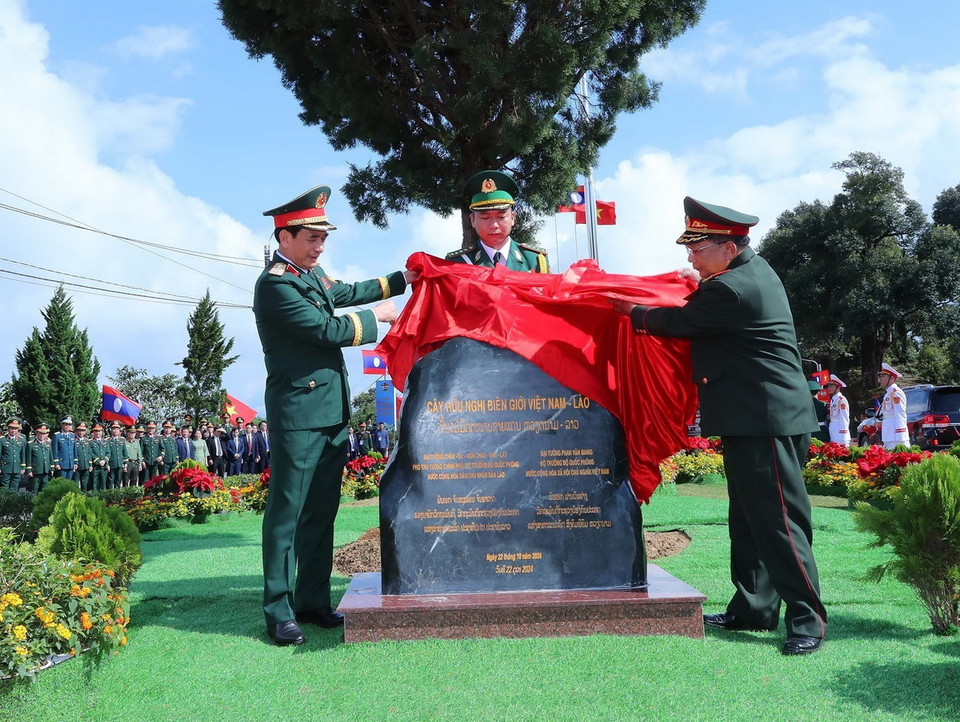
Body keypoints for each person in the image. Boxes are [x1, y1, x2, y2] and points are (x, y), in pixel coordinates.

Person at [612, 196, 827, 656]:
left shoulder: (729, 288)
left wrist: (629, 310)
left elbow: (680, 322)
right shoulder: (745, 274)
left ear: (729, 248)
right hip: (754, 415)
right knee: (748, 518)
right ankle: (753, 608)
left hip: (764, 419)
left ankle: (807, 619)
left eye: (699, 247)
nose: (690, 256)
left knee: (779, 523)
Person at [253, 184, 416, 646]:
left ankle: (311, 601)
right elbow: (326, 328)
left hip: (330, 415)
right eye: (311, 238)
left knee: (321, 514)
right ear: (284, 237)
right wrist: (377, 316)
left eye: (323, 238)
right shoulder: (275, 286)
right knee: (287, 515)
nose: (319, 246)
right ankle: (278, 610)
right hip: (300, 416)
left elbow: (344, 291)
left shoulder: (310, 275)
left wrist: (402, 278)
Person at [445, 170, 549, 272]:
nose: (494, 225)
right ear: (472, 220)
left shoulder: (535, 260)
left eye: (501, 217)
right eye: (485, 218)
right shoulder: (458, 263)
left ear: (512, 218)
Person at [879, 362, 909, 449]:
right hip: (889, 433)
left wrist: (900, 433)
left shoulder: (896, 393)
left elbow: (900, 414)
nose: (881, 379)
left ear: (891, 378)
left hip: (896, 435)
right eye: (880, 376)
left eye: (883, 376)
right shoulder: (888, 393)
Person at [26, 422, 54, 494]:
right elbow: (28, 458)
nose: (42, 435)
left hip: (45, 470)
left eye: (44, 433)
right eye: (40, 433)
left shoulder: (48, 443)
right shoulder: (31, 444)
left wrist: (52, 468)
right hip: (36, 471)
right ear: (37, 433)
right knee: (34, 488)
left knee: (45, 488)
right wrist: (29, 470)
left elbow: (50, 457)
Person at [824, 374, 851, 447]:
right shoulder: (833, 400)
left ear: (838, 387)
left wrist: (843, 432)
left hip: (840, 432)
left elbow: (844, 416)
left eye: (831, 386)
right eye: (829, 386)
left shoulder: (841, 400)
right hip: (834, 430)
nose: (829, 388)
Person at [1, 419, 27, 492]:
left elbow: (23, 455)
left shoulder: (21, 440)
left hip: (17, 468)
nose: (13, 431)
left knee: (15, 487)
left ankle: (13, 502)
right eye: (12, 428)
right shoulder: (2, 440)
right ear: (8, 429)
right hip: (6, 468)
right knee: (4, 487)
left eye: (16, 429)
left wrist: (23, 467)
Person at [52, 415, 78, 480]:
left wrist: (75, 462)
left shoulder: (72, 435)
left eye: (69, 424)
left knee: (69, 483)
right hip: (62, 464)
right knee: (61, 484)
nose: (68, 426)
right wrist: (56, 463)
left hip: (70, 464)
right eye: (66, 424)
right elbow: (54, 451)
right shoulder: (57, 436)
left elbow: (74, 450)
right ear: (62, 425)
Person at [106, 421, 126, 490]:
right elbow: (107, 453)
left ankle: (117, 495)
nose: (115, 430)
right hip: (112, 463)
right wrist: (107, 464)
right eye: (114, 429)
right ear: (111, 430)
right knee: (110, 480)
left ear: (119, 430)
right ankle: (110, 495)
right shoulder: (107, 440)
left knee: (118, 480)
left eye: (117, 429)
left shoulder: (122, 440)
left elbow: (125, 453)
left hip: (120, 463)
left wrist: (125, 463)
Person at [89, 424, 109, 492]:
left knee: (103, 484)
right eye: (96, 431)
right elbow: (90, 452)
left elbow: (108, 452)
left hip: (104, 466)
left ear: (102, 432)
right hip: (95, 466)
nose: (98, 433)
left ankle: (103, 499)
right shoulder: (90, 442)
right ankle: (95, 498)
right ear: (93, 433)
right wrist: (98, 461)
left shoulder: (105, 441)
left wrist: (105, 460)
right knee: (94, 484)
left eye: (99, 431)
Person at [74, 422, 94, 491]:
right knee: (76, 483)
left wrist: (90, 464)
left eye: (83, 430)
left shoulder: (87, 441)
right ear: (76, 431)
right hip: (77, 466)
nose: (81, 432)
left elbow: (89, 453)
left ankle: (84, 496)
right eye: (79, 430)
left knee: (84, 483)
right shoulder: (73, 440)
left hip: (86, 465)